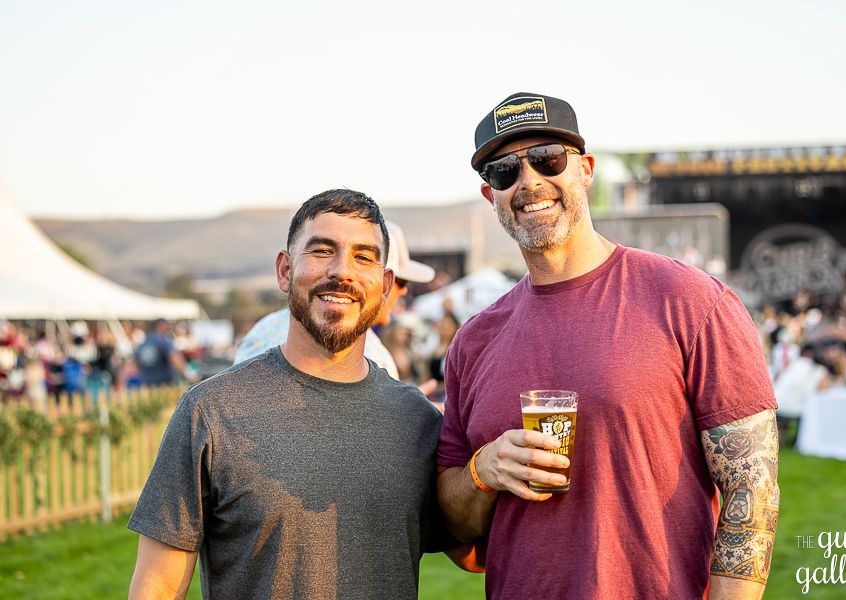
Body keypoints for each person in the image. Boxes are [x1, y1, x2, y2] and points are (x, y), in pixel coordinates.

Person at [436, 92, 780, 598]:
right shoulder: (473, 341)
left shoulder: (688, 300)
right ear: (491, 196)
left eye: (548, 159)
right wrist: (483, 470)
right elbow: (455, 527)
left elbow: (752, 492)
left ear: (585, 170)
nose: (529, 181)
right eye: (504, 170)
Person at [128, 190, 453, 599]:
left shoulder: (418, 421)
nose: (342, 271)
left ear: (385, 285)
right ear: (285, 270)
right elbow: (157, 585)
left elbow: (471, 549)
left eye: (364, 257)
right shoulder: (209, 411)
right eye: (321, 250)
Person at [233, 220, 436, 384]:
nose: (403, 290)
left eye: (362, 258)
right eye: (323, 252)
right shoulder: (371, 356)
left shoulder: (264, 328)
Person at [133, 319, 189, 386]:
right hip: (165, 385)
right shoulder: (163, 341)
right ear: (161, 326)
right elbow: (176, 360)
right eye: (167, 328)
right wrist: (190, 377)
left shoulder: (142, 344)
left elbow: (135, 365)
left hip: (147, 385)